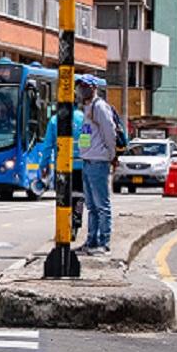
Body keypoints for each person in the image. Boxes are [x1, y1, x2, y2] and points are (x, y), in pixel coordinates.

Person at [76, 74, 117, 256]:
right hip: (87, 160)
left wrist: (111, 154)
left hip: (98, 161)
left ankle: (104, 243)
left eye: (85, 86)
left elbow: (109, 132)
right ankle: (91, 241)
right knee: (91, 206)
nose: (81, 90)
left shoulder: (99, 107)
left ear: (93, 88)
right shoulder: (87, 108)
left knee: (102, 206)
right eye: (80, 86)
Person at [38, 106, 85, 205]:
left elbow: (47, 146)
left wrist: (43, 165)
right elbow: (87, 141)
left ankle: (65, 215)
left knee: (63, 200)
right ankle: (77, 214)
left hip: (61, 167)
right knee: (79, 198)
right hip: (81, 166)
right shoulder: (84, 118)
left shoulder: (54, 120)